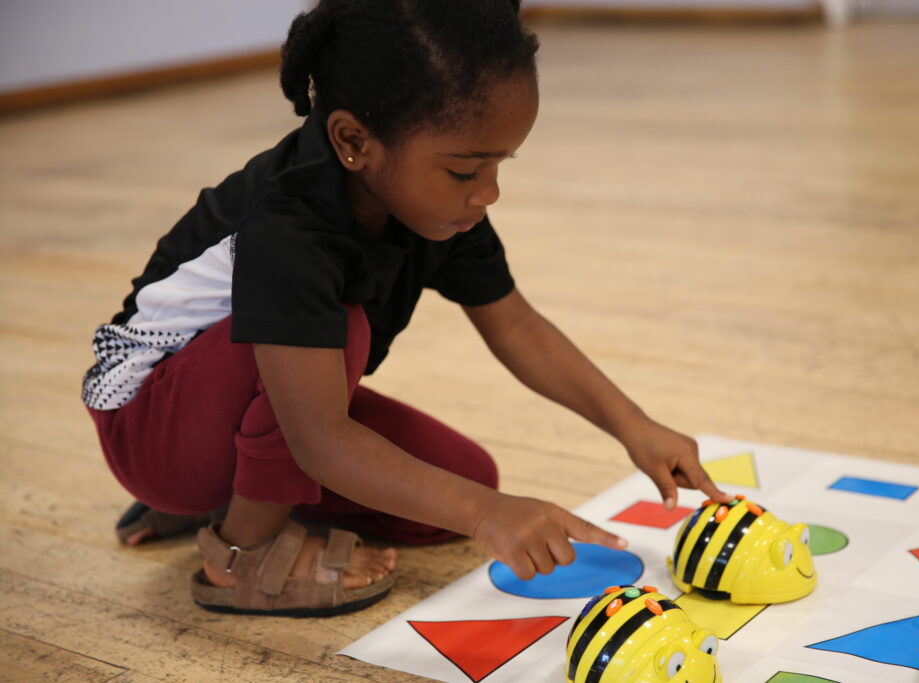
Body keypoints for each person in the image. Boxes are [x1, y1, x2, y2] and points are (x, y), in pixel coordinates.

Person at [82, 0, 730, 618]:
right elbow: (318, 437)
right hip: (149, 422)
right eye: (464, 171)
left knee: (464, 479)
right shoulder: (290, 227)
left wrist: (632, 424)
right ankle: (240, 554)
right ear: (353, 140)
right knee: (350, 340)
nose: (489, 193)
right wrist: (487, 514)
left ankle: (225, 497)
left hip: (249, 402)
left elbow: (517, 323)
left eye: (500, 165)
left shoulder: (439, 211)